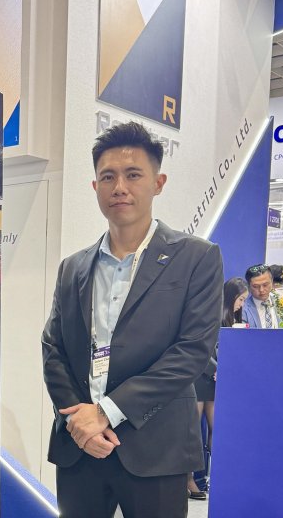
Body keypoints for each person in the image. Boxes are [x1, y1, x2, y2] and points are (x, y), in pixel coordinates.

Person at [41, 121, 223, 518]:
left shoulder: (196, 257)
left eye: (133, 175)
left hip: (156, 447)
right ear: (95, 187)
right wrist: (78, 419)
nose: (119, 187)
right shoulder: (73, 267)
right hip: (80, 447)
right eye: (108, 177)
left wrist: (105, 412)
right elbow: (53, 348)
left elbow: (192, 352)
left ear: (158, 183)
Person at [187, 277, 248, 499]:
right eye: (240, 299)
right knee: (193, 432)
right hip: (200, 377)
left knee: (217, 429)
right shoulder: (211, 314)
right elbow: (199, 348)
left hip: (216, 381)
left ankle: (220, 474)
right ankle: (188, 479)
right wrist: (216, 369)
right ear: (231, 297)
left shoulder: (235, 319)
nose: (242, 304)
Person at [242, 263, 279, 329]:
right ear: (249, 286)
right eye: (256, 286)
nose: (261, 290)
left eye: (265, 285)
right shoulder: (242, 309)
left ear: (272, 281)